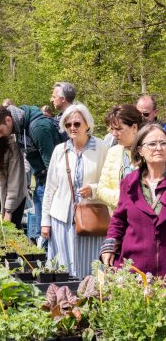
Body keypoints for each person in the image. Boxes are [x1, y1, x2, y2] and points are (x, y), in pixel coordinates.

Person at [41, 103, 109, 278]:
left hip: (92, 219)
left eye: (77, 124)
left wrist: (94, 189)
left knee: (92, 268)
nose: (72, 128)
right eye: (68, 124)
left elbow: (110, 183)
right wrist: (45, 221)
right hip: (62, 219)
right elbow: (50, 188)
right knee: (64, 267)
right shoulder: (60, 150)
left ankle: (91, 301)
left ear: (87, 124)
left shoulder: (102, 148)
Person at [0, 104, 61, 241]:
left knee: (48, 234)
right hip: (40, 183)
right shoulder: (20, 129)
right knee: (40, 234)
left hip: (51, 188)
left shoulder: (38, 128)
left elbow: (53, 169)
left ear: (8, 120)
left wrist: (49, 200)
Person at [100, 124, 166, 276]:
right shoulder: (129, 183)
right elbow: (119, 219)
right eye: (152, 144)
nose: (159, 148)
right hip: (134, 269)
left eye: (163, 143)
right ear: (140, 150)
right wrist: (110, 245)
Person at [97, 105, 142, 212]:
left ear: (134, 127)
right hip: (119, 221)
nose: (114, 134)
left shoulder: (151, 152)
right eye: (112, 129)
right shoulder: (113, 152)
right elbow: (101, 190)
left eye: (118, 129)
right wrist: (124, 199)